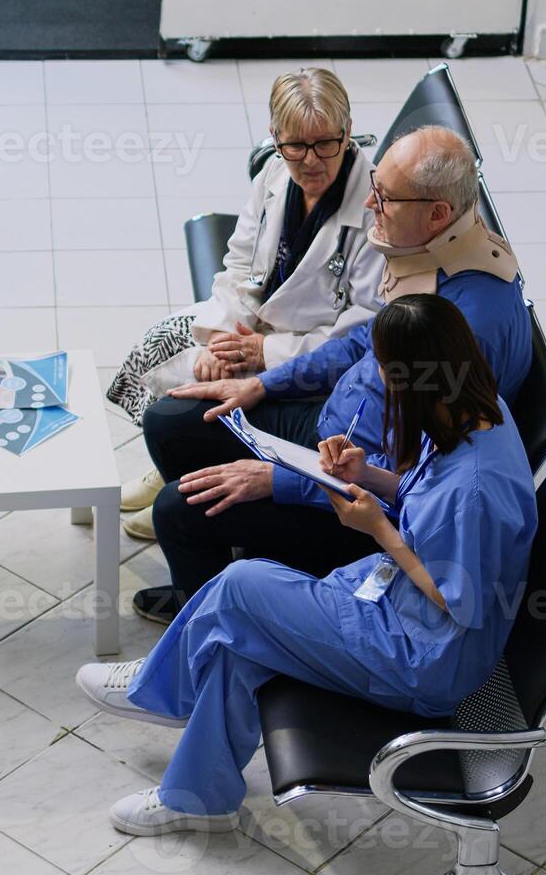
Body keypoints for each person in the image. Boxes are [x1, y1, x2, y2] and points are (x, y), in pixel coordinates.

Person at [75, 293, 538, 835]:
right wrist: (370, 476)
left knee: (244, 586)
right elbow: (424, 495)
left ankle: (166, 689)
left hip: (425, 659)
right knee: (239, 637)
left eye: (386, 372)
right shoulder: (472, 410)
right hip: (394, 607)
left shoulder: (476, 490)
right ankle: (199, 795)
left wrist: (379, 530)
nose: (380, 383)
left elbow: (458, 600)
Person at [129, 125, 531, 623]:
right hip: (340, 431)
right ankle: (209, 575)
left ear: (438, 213)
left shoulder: (466, 333)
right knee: (173, 421)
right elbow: (363, 343)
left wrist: (283, 481)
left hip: (357, 505)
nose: (369, 207)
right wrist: (262, 384)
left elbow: (412, 485)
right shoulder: (436, 257)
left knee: (181, 510)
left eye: (384, 198)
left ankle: (213, 623)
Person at [112, 67, 384, 540]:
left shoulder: (375, 209)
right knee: (166, 345)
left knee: (195, 397)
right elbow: (240, 261)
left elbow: (360, 331)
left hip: (308, 358)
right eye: (295, 145)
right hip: (252, 324)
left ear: (347, 132)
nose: (311, 160)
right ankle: (174, 466)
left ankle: (184, 482)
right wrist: (223, 333)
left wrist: (265, 353)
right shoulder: (275, 173)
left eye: (325, 143)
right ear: (275, 138)